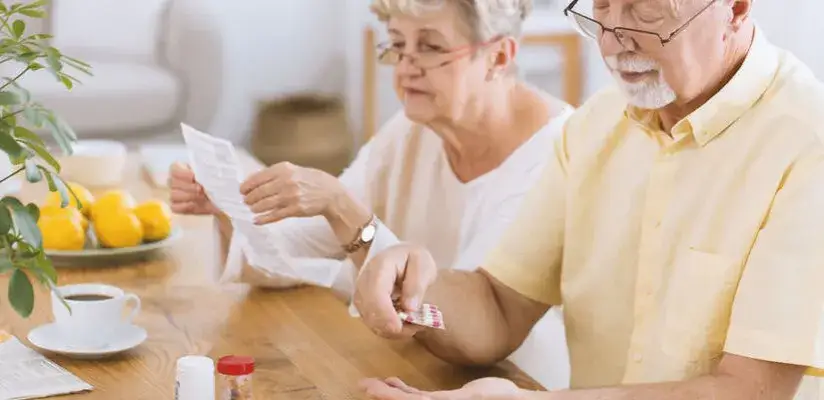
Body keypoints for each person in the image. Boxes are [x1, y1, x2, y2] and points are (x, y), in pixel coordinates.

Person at [353, 0, 824, 399]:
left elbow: (748, 389)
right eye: (601, 8)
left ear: (735, 9)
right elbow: (499, 307)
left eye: (644, 9)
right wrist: (414, 285)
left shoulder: (808, 144)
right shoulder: (594, 126)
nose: (614, 41)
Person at [168, 0, 574, 388]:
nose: (406, 68)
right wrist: (231, 204)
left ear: (499, 57)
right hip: (416, 369)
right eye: (398, 45)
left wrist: (342, 208)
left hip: (514, 384)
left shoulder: (557, 150)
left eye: (430, 47)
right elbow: (307, 248)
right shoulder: (413, 128)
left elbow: (477, 330)